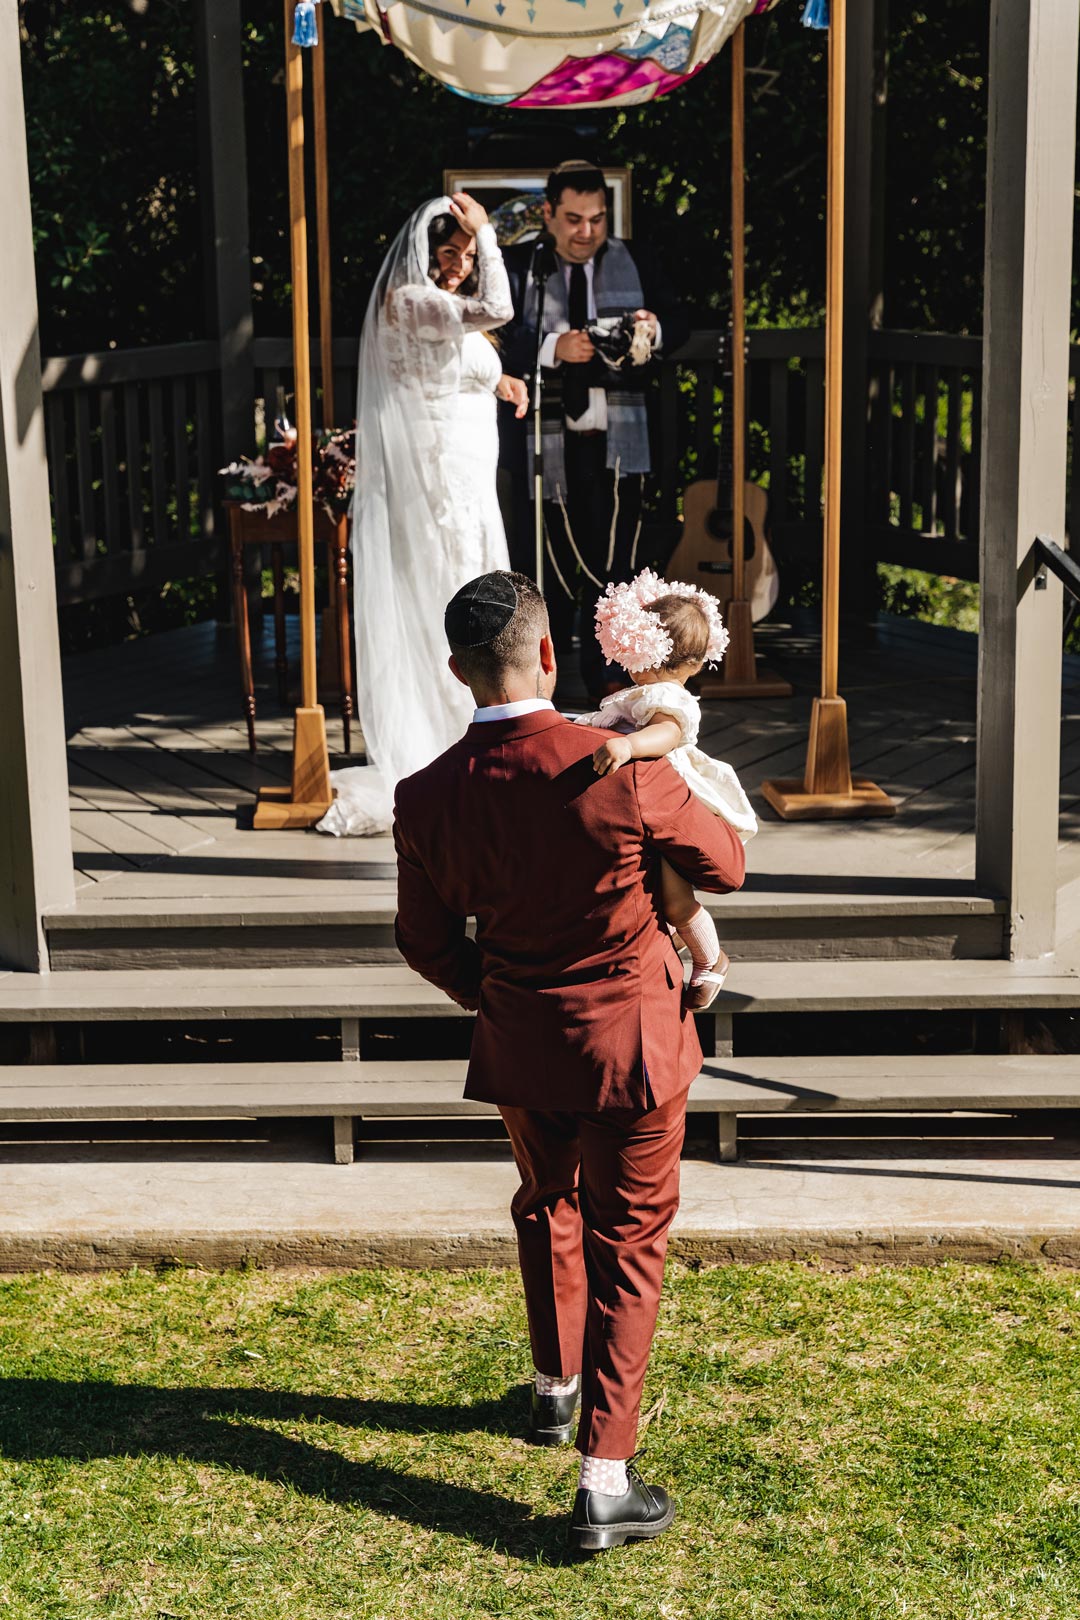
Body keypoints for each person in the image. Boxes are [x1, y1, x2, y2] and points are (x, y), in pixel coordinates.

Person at [393, 569, 745, 1550]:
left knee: (547, 1201)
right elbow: (726, 866)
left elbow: (425, 943)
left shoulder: (422, 797)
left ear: (457, 671)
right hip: (632, 1042)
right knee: (626, 1245)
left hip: (520, 1040)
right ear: (549, 654)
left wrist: (498, 998)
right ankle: (602, 1479)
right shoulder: (620, 763)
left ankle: (555, 1390)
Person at [318, 194, 528, 837]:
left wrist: (501, 382)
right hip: (438, 483)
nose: (462, 264)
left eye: (469, 254)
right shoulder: (410, 300)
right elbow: (497, 310)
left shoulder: (435, 309)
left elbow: (451, 362)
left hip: (469, 478)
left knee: (480, 584)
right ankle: (450, 738)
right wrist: (491, 234)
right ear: (422, 252)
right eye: (451, 253)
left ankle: (485, 724)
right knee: (453, 591)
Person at [497, 159, 690, 702]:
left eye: (598, 220)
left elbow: (680, 322)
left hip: (617, 440)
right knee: (550, 567)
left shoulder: (638, 260)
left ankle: (611, 676)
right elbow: (492, 335)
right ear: (549, 215)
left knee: (616, 564)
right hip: (543, 440)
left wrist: (652, 328)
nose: (587, 233)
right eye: (575, 219)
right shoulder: (519, 266)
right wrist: (550, 348)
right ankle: (547, 681)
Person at [574, 568, 758, 1011]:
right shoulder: (647, 692)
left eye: (638, 656)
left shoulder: (670, 699)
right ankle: (673, 944)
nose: (631, 665)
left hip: (673, 807)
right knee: (651, 888)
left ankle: (710, 957)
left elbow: (666, 735)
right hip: (647, 808)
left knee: (676, 899)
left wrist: (628, 745)